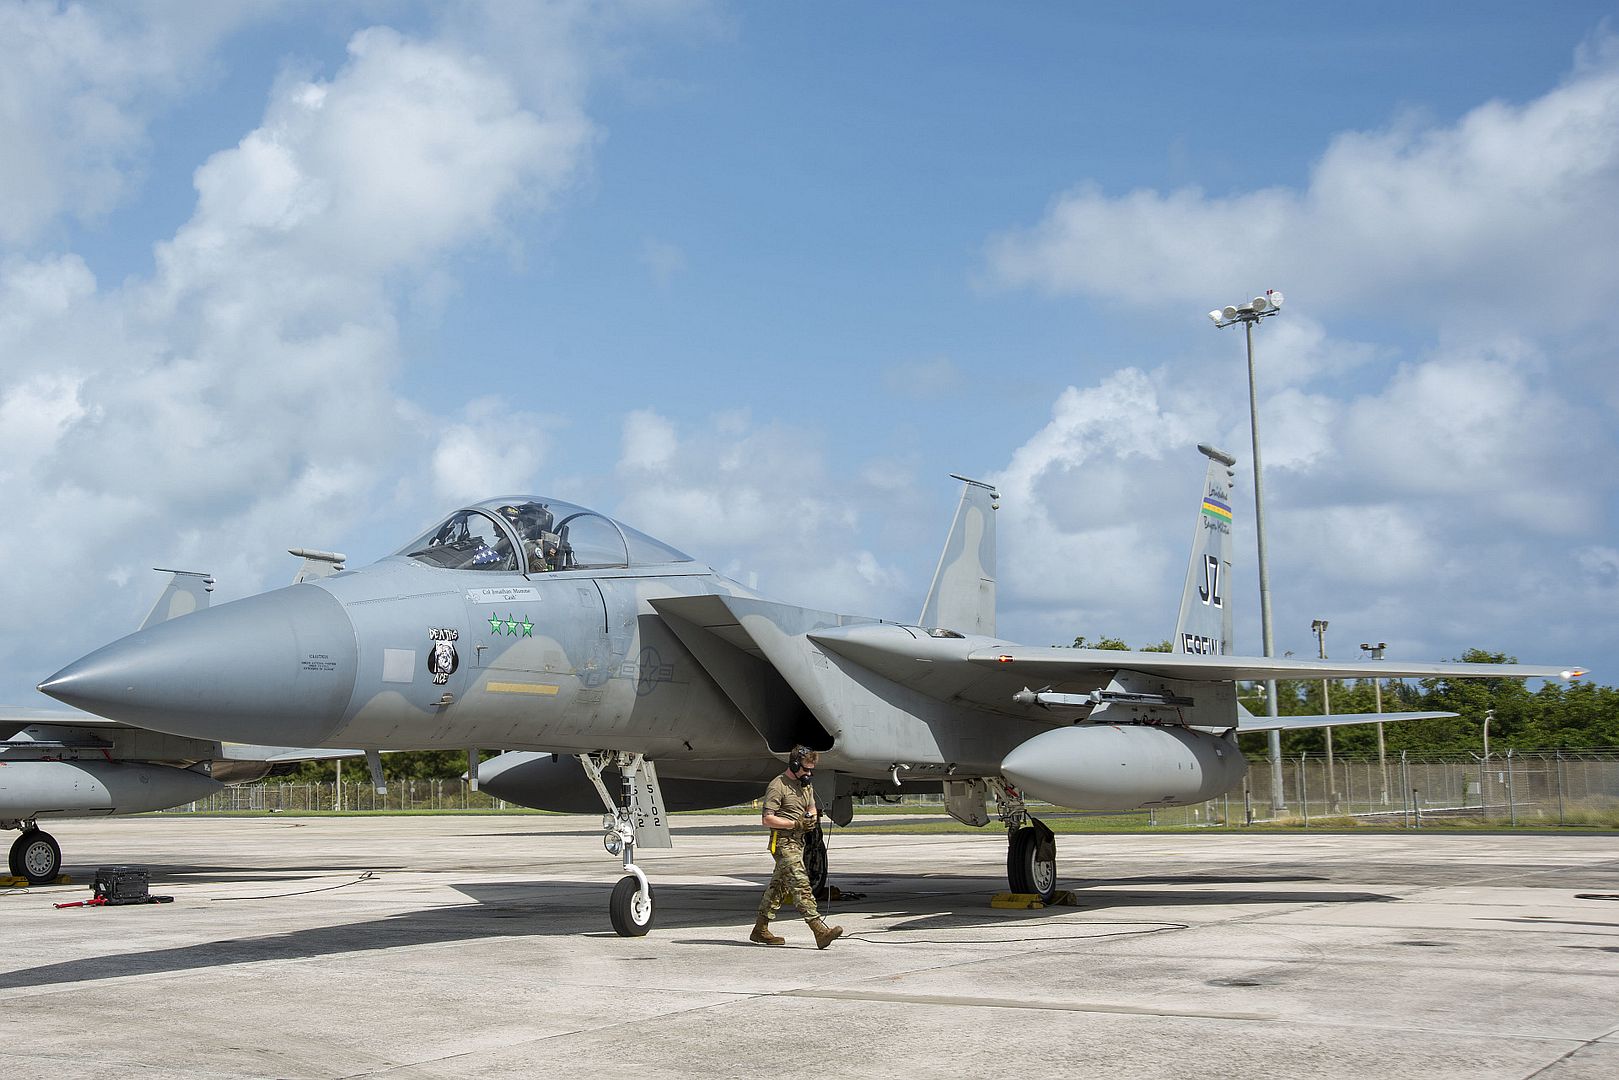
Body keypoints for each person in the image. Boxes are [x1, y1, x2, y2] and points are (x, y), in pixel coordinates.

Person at [751, 746, 843, 948]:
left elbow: (811, 807)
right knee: (801, 884)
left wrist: (810, 817)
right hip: (783, 843)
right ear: (794, 765)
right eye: (806, 769)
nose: (809, 774)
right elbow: (767, 819)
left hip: (799, 842)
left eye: (811, 770)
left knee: (779, 887)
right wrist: (795, 824)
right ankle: (819, 930)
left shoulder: (805, 785)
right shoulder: (778, 786)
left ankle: (760, 929)